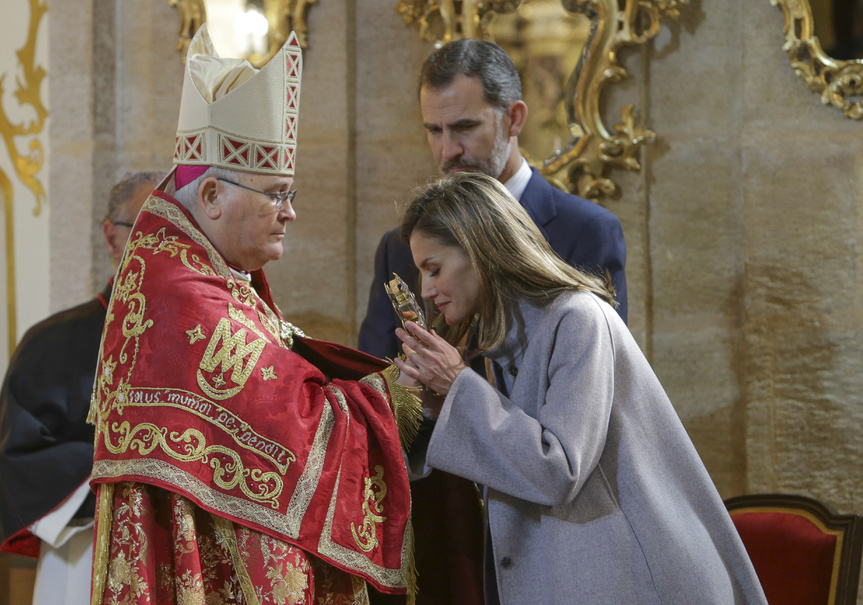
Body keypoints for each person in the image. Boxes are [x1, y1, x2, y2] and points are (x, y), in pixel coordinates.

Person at [87, 25, 421, 605]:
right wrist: (402, 392)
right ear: (212, 196)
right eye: (277, 194)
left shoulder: (195, 266)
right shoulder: (182, 293)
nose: (290, 213)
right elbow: (294, 421)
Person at [393, 172, 769, 605]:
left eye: (433, 269)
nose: (426, 290)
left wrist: (457, 386)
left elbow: (559, 470)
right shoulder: (502, 340)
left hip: (637, 580)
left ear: (478, 249)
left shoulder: (578, 318)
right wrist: (430, 407)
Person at [358, 39, 627, 361]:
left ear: (514, 118)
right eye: (434, 130)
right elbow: (372, 378)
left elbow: (599, 374)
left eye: (465, 127)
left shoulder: (586, 231)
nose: (448, 151)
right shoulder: (400, 248)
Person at [0, 170, 161, 605]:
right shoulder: (52, 343)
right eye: (150, 229)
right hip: (86, 554)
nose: (168, 248)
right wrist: (132, 464)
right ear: (112, 239)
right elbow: (19, 457)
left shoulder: (218, 343)